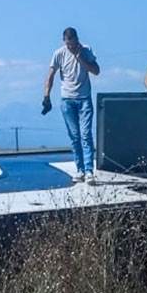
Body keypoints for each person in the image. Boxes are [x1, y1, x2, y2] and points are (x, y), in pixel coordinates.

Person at [42, 27, 101, 183]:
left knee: (85, 134)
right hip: (67, 100)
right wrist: (46, 96)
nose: (71, 47)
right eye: (68, 44)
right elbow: (50, 75)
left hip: (84, 98)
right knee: (75, 136)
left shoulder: (86, 50)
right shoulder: (59, 54)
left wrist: (81, 58)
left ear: (77, 40)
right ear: (64, 42)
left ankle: (89, 170)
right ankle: (80, 170)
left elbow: (96, 71)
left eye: (73, 44)